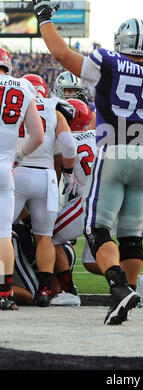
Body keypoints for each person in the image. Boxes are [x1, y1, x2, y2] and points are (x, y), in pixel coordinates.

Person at [32, 0, 143, 325]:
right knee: (131, 235)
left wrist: (44, 18)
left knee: (96, 230)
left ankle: (118, 287)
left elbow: (61, 54)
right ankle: (127, 292)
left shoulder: (108, 63)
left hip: (112, 149)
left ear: (120, 41)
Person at [12, 73, 77, 307]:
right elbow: (69, 145)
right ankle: (45, 289)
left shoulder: (16, 101)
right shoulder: (54, 107)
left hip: (17, 170)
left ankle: (3, 284)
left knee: (2, 231)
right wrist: (68, 171)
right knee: (45, 237)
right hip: (46, 175)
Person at [0, 49, 44, 310]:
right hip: (5, 167)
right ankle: (4, 294)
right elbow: (37, 137)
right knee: (3, 233)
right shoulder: (24, 87)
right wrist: (16, 157)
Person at [51, 98, 94, 307]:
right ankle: (133, 280)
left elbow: (58, 175)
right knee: (92, 261)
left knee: (49, 235)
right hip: (110, 200)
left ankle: (68, 291)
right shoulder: (101, 136)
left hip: (87, 200)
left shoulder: (65, 141)